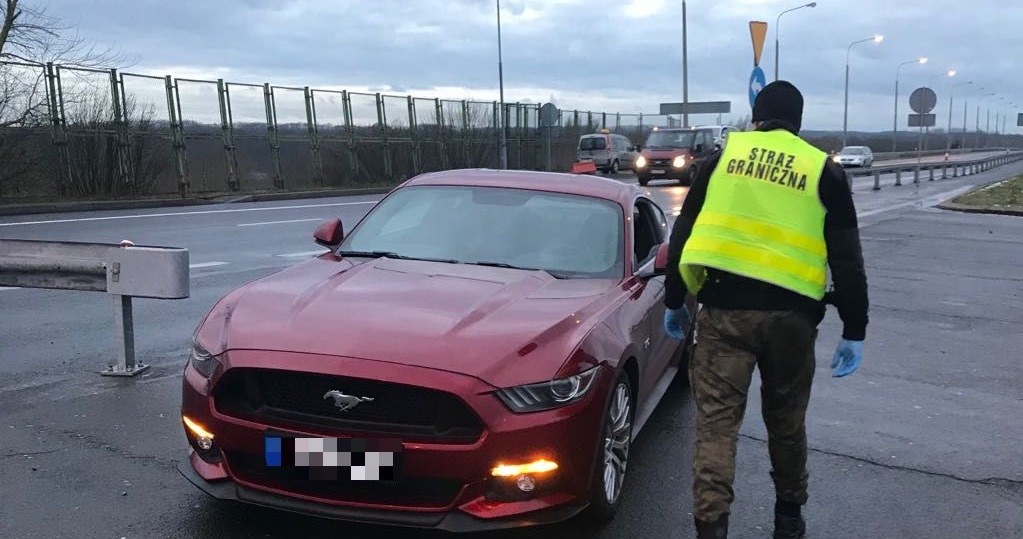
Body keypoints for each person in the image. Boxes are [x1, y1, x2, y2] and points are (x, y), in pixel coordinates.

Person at [662, 81, 869, 539]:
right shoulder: (822, 170)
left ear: (756, 117)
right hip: (792, 320)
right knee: (787, 423)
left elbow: (683, 236)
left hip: (723, 314)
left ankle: (712, 529)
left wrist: (675, 300)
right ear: (798, 121)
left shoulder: (721, 162)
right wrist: (855, 328)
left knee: (716, 428)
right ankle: (789, 519)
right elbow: (847, 259)